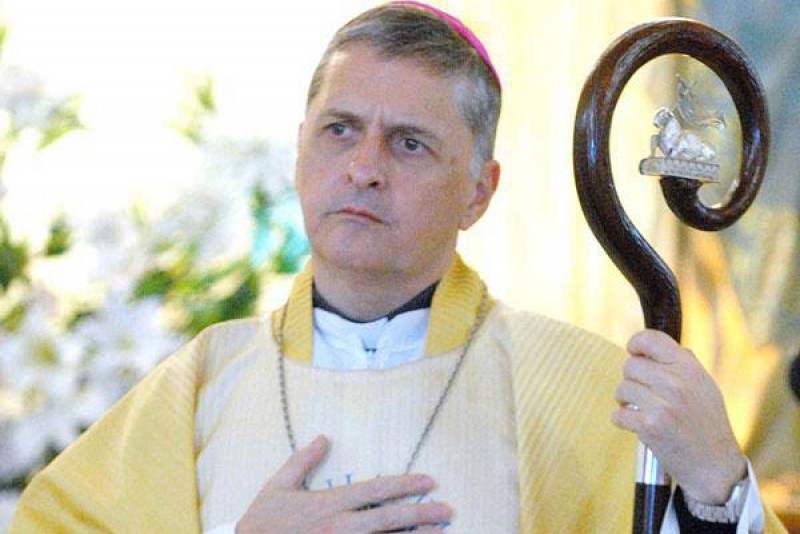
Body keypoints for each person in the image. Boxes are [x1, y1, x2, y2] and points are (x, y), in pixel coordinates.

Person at [10, 2, 787, 533]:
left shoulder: (581, 388)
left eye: (409, 143)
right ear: (299, 151)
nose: (364, 168)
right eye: (340, 130)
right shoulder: (198, 387)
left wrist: (717, 489)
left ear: (479, 192)